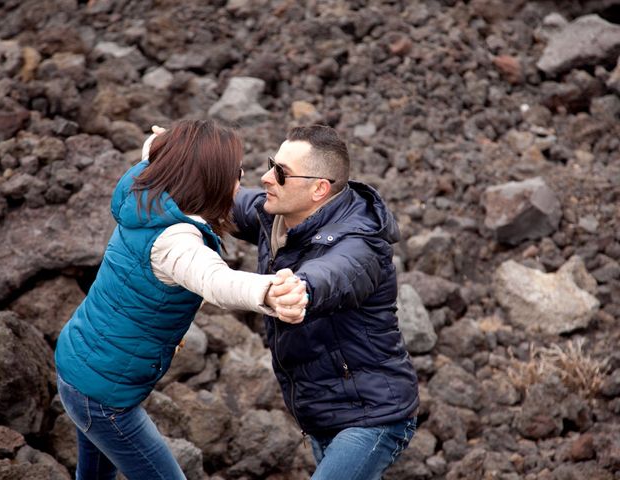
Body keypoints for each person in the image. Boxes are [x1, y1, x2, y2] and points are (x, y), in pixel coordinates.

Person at [54, 119, 307, 480]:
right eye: (236, 172)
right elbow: (216, 281)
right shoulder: (174, 241)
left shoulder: (144, 192)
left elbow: (149, 158)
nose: (241, 180)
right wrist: (267, 291)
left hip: (79, 363)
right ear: (211, 179)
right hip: (104, 395)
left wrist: (158, 148)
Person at [233, 125, 419, 480]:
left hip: (372, 417)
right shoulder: (274, 215)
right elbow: (224, 199)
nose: (266, 177)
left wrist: (301, 287)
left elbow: (335, 273)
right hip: (320, 414)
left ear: (320, 189)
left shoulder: (361, 243)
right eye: (273, 165)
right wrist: (178, 156)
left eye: (281, 173)